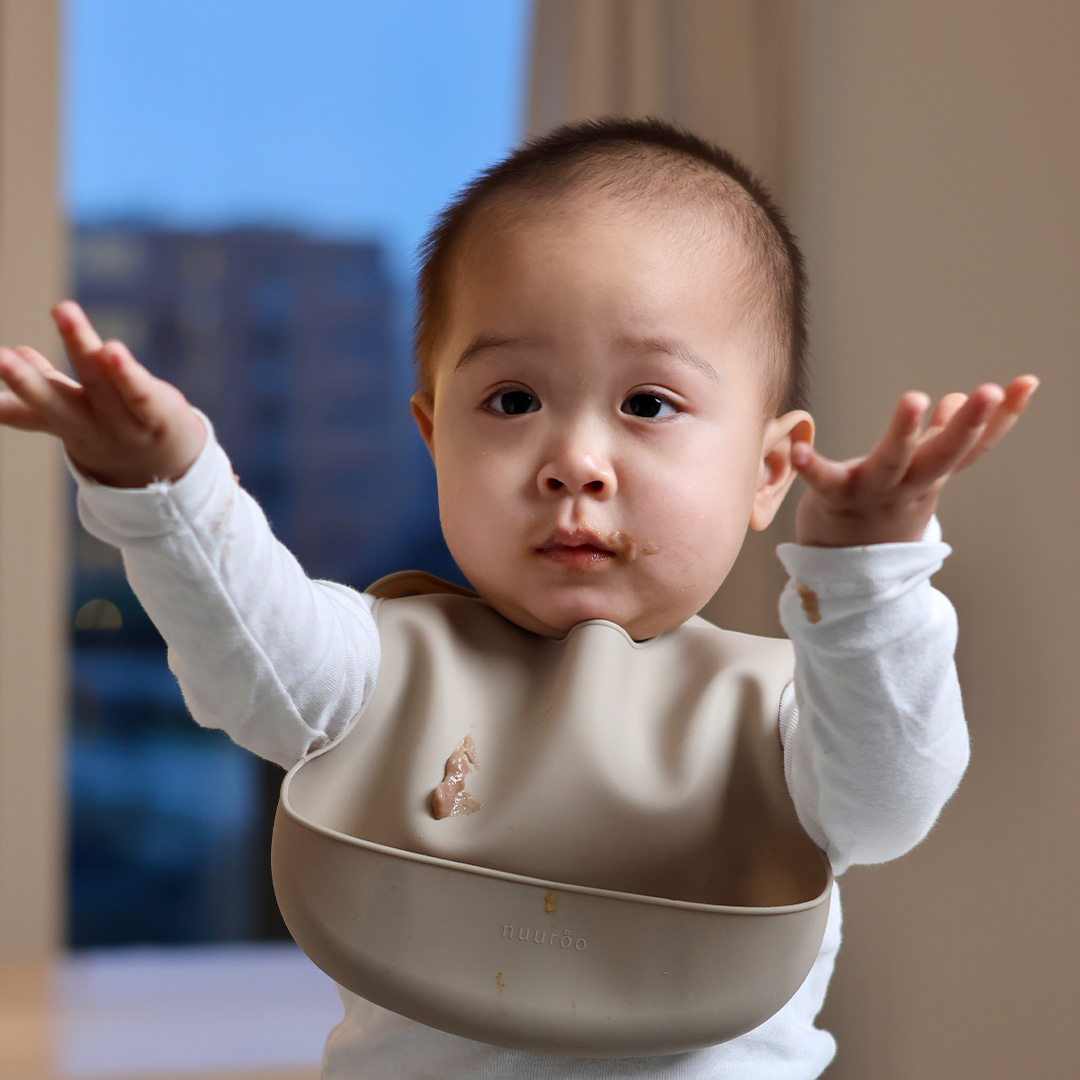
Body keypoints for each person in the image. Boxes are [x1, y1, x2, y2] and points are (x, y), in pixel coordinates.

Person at [0, 119, 1036, 1078]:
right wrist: (169, 488)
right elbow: (249, 649)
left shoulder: (784, 717)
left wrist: (867, 573)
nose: (575, 459)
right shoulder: (383, 667)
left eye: (648, 403)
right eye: (511, 399)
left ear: (768, 471)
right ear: (433, 436)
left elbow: (890, 799)